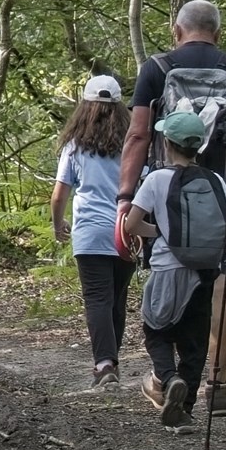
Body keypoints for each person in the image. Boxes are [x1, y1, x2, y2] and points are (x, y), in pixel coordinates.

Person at [119, 0, 226, 416]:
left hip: (166, 197)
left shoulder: (157, 69)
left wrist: (126, 196)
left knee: (169, 280)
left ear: (176, 30)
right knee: (221, 282)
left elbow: (137, 135)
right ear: (216, 33)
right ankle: (217, 382)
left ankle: (168, 373)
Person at [119, 108, 226, 428]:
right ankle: (183, 410)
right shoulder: (214, 180)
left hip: (167, 270)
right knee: (194, 344)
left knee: (156, 331)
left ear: (167, 143)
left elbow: (131, 225)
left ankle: (169, 379)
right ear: (198, 145)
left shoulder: (157, 178)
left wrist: (161, 232)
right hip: (205, 272)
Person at [49, 73, 133, 385]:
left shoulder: (75, 147)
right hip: (126, 231)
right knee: (117, 299)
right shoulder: (132, 145)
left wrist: (58, 226)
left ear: (86, 106)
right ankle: (112, 361)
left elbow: (59, 195)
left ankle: (105, 364)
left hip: (90, 232)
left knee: (98, 298)